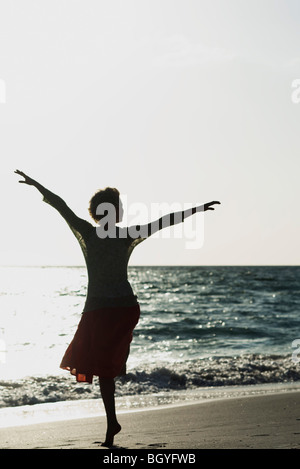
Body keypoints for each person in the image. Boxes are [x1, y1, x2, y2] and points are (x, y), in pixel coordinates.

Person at [14, 169, 220, 447]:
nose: (120, 211)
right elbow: (162, 222)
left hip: (103, 310)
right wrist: (196, 210)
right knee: (104, 369)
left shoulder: (90, 233)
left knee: (100, 367)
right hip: (123, 309)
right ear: (108, 211)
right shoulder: (122, 235)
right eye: (118, 207)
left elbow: (62, 205)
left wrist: (36, 184)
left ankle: (111, 422)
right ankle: (111, 423)